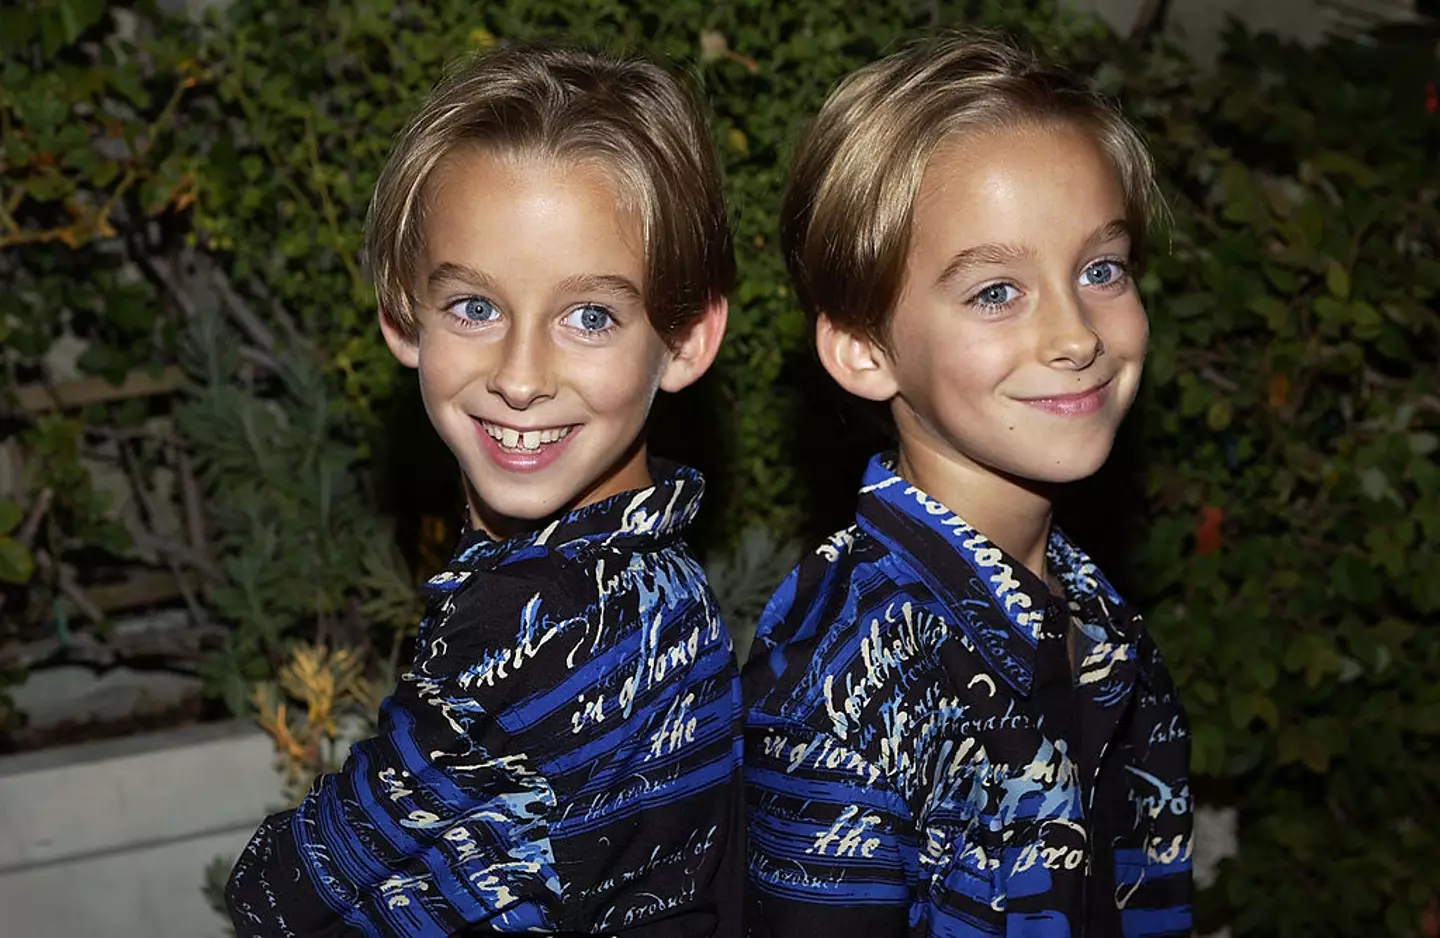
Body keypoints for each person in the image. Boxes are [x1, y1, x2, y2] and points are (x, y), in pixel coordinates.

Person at [226, 42, 742, 937]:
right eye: (477, 308)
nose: (520, 376)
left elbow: (276, 895)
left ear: (686, 338)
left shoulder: (536, 624)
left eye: (590, 316)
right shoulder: (655, 575)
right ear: (404, 314)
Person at [743, 30, 1192, 937]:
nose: (1076, 335)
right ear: (864, 350)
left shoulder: (1101, 621)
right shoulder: (849, 671)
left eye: (1100, 269)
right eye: (996, 291)